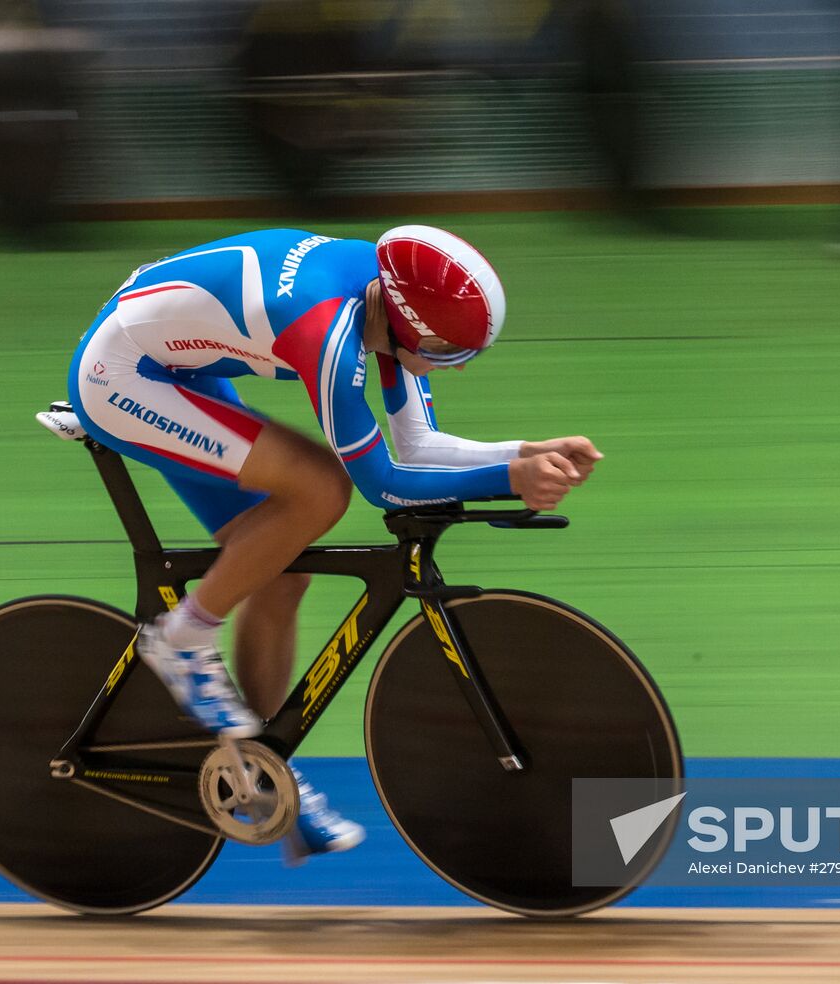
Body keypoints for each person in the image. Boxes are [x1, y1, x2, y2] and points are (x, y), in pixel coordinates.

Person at [66, 224, 601, 854]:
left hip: (178, 364)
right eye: (447, 352)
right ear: (409, 323)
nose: (451, 366)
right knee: (322, 489)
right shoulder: (328, 330)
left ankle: (261, 764)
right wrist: (511, 480)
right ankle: (183, 639)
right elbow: (382, 485)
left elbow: (420, 445)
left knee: (279, 570)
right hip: (124, 377)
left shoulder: (385, 297)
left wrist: (525, 453)